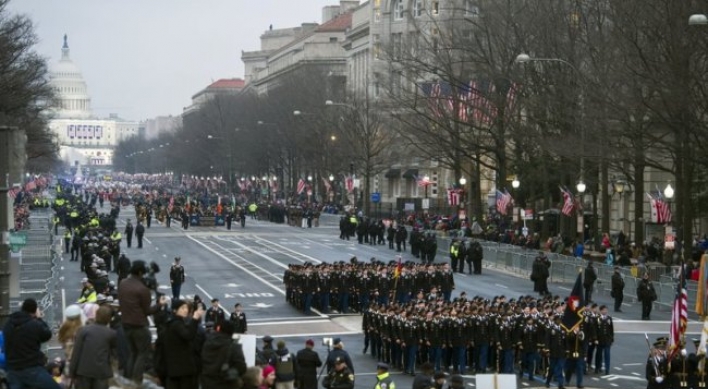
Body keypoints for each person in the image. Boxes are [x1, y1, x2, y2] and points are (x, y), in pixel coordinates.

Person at [118, 260, 168, 386]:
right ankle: (136, 380)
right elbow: (147, 311)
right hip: (139, 325)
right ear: (140, 272)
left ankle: (127, 379)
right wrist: (160, 304)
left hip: (125, 323)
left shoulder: (123, 283)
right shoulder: (142, 289)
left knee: (132, 353)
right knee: (142, 354)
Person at [3, 298, 61, 389]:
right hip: (32, 368)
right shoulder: (34, 324)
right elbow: (47, 335)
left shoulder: (8, 324)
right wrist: (39, 318)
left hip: (12, 369)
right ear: (34, 311)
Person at [68, 306, 117, 389]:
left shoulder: (83, 330)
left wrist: (72, 372)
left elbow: (76, 353)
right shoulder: (111, 333)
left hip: (83, 371)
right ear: (109, 318)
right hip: (101, 372)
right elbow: (114, 353)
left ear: (96, 315)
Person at [162, 299, 205, 389]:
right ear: (175, 310)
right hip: (182, 369)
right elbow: (188, 335)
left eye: (186, 308)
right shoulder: (176, 324)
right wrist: (195, 319)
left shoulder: (172, 323)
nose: (185, 310)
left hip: (174, 368)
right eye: (182, 308)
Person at [594, 305, 614, 375]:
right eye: (604, 310)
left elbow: (611, 329)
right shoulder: (597, 318)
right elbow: (595, 329)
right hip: (600, 339)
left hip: (607, 340)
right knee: (599, 355)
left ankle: (607, 369)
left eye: (606, 310)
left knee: (607, 355)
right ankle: (597, 367)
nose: (605, 311)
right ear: (601, 311)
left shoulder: (609, 318)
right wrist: (595, 338)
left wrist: (612, 339)